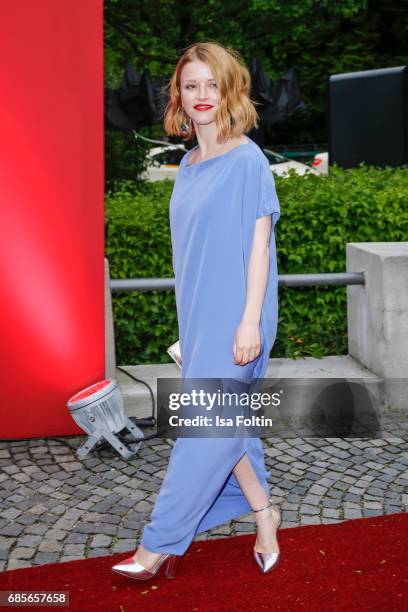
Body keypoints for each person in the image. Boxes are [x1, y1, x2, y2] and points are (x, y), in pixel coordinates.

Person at [112, 41, 282, 581]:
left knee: (204, 431)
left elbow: (259, 248)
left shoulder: (247, 159)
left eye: (212, 84)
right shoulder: (187, 163)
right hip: (200, 317)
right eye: (191, 86)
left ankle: (157, 544)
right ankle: (265, 514)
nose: (201, 95)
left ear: (229, 89)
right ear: (179, 96)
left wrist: (249, 321)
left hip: (240, 315)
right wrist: (190, 329)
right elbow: (192, 252)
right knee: (229, 426)